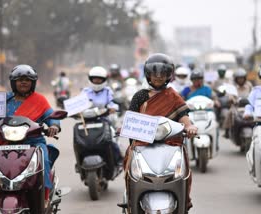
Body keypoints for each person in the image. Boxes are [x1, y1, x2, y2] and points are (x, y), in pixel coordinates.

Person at [0, 64, 60, 205]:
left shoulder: (39, 100)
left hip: (34, 143)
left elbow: (51, 116)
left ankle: (44, 197)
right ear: (13, 82)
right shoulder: (4, 100)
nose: (23, 82)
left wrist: (54, 125)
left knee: (44, 160)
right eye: (20, 79)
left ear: (33, 83)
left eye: (27, 79)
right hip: (6, 143)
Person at [124, 53, 198, 211]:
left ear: (168, 76)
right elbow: (132, 118)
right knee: (130, 169)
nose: (158, 77)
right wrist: (125, 127)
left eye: (162, 74)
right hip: (142, 145)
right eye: (154, 74)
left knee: (184, 173)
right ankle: (130, 202)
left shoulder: (173, 96)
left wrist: (190, 126)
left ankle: (183, 203)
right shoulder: (140, 96)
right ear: (148, 75)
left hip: (171, 145)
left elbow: (183, 116)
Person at [80, 66, 123, 165]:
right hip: (86, 121)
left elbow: (112, 103)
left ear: (104, 80)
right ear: (90, 79)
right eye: (94, 79)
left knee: (111, 138)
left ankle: (119, 159)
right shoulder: (85, 91)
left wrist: (113, 108)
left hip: (104, 120)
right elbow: (78, 104)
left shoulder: (108, 91)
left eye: (99, 79)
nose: (97, 81)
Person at [223, 68, 253, 138]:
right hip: (237, 106)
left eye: (242, 78)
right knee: (230, 112)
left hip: (248, 106)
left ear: (245, 78)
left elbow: (253, 93)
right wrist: (231, 99)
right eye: (239, 78)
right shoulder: (232, 86)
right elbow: (229, 95)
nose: (240, 80)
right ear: (236, 79)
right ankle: (227, 130)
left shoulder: (249, 85)